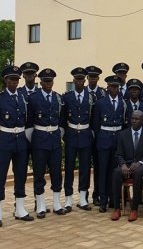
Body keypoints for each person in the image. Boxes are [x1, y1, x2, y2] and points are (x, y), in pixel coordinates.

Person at [0, 66, 34, 228]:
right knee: (1, 177)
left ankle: (20, 209)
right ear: (5, 80)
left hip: (20, 140)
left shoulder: (22, 97)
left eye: (16, 79)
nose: (14, 82)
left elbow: (27, 121)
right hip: (5, 140)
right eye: (11, 79)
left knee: (21, 175)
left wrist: (27, 140)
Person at [26, 68, 65, 218]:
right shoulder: (33, 98)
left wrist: (58, 134)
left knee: (56, 172)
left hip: (54, 139)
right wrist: (33, 140)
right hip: (39, 139)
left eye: (51, 81)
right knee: (39, 173)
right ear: (40, 81)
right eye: (46, 81)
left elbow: (61, 120)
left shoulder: (58, 98)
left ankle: (56, 203)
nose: (49, 83)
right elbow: (29, 122)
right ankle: (41, 204)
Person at [92, 75, 128, 213]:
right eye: (112, 86)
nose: (114, 89)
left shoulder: (123, 102)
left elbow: (124, 123)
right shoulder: (100, 103)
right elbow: (96, 124)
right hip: (104, 139)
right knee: (102, 171)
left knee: (115, 172)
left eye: (116, 87)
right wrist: (99, 139)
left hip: (117, 139)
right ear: (107, 87)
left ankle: (114, 198)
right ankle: (103, 199)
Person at [61, 67, 94, 213]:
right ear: (73, 80)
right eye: (77, 79)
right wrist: (64, 134)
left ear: (85, 80)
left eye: (82, 79)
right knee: (69, 168)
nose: (79, 81)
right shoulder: (67, 97)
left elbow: (93, 118)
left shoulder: (91, 97)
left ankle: (83, 198)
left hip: (86, 134)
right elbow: (62, 119)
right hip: (71, 134)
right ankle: (68, 199)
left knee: (85, 168)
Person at [110, 110, 143, 221]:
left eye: (137, 119)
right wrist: (123, 165)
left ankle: (134, 209)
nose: (134, 121)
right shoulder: (123, 134)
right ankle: (117, 208)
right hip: (126, 165)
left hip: (140, 165)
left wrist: (140, 163)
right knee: (116, 173)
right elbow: (119, 154)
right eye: (132, 118)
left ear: (142, 121)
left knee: (138, 173)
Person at [85, 65, 106, 206]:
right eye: (90, 77)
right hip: (85, 135)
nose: (93, 79)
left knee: (100, 167)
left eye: (95, 77)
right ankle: (84, 194)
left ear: (98, 78)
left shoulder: (103, 93)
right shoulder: (82, 93)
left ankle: (98, 193)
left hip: (100, 137)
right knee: (87, 167)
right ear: (87, 78)